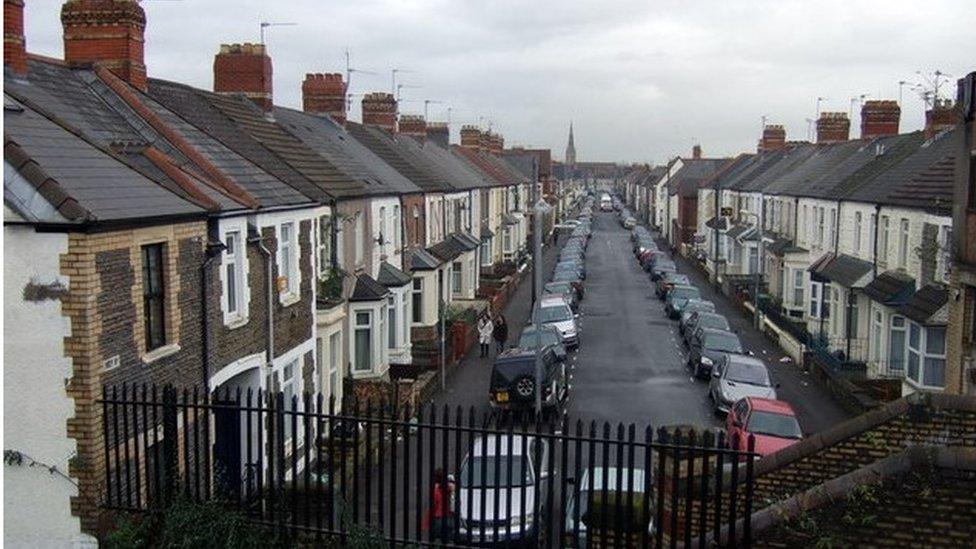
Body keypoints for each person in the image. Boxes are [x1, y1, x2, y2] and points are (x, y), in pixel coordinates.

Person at [427, 468, 455, 543]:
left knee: (437, 541)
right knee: (448, 541)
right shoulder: (451, 488)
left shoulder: (436, 490)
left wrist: (427, 522)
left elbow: (433, 506)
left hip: (438, 519)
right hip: (450, 518)